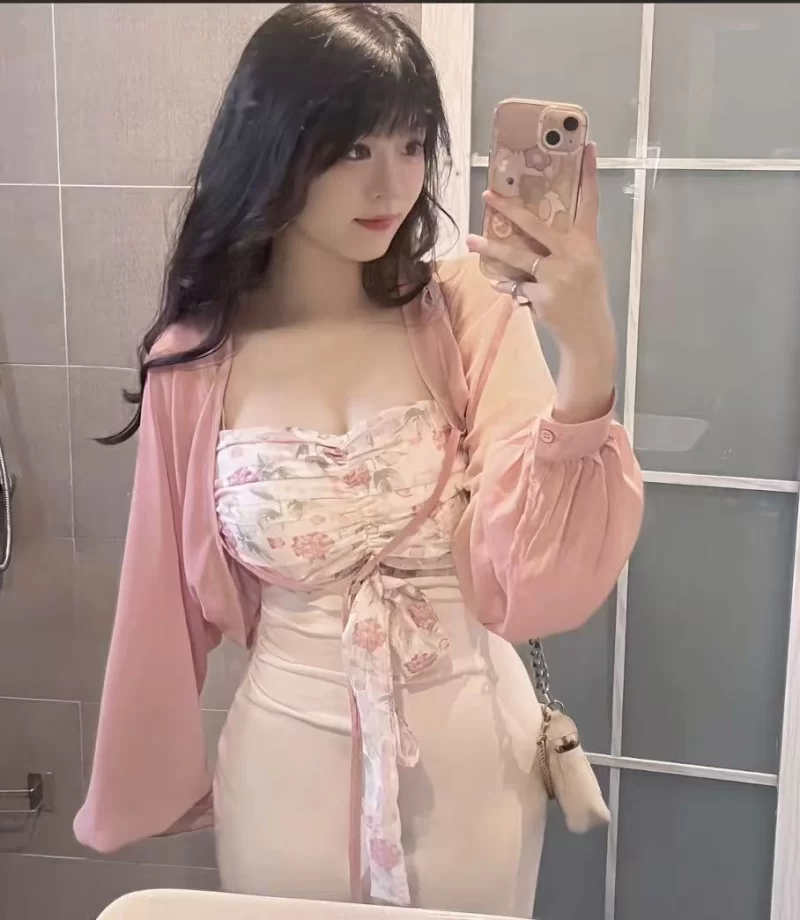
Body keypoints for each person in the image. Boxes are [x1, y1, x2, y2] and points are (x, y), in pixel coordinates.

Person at [74, 4, 644, 916]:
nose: (392, 183)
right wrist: (141, 780)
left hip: (470, 760)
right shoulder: (195, 357)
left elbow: (535, 580)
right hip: (286, 761)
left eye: (413, 145)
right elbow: (160, 597)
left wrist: (590, 356)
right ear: (271, 148)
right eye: (352, 149)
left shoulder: (465, 307)